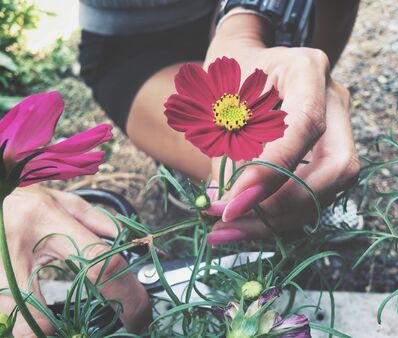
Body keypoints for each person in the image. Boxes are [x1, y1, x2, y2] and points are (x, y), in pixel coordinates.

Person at [0, 0, 360, 335]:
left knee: (284, 161)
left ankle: (299, 180)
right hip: (132, 42)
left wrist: (244, 20)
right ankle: (200, 181)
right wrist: (12, 196)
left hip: (263, 22)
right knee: (256, 177)